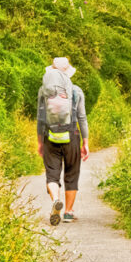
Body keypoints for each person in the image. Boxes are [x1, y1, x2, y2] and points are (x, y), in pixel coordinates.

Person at [37, 57, 89, 225]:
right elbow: (82, 118)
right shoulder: (76, 91)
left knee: (52, 173)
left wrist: (40, 142)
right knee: (71, 173)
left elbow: (40, 118)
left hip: (50, 135)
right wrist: (85, 142)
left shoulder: (43, 91)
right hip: (71, 134)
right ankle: (68, 212)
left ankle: (55, 201)